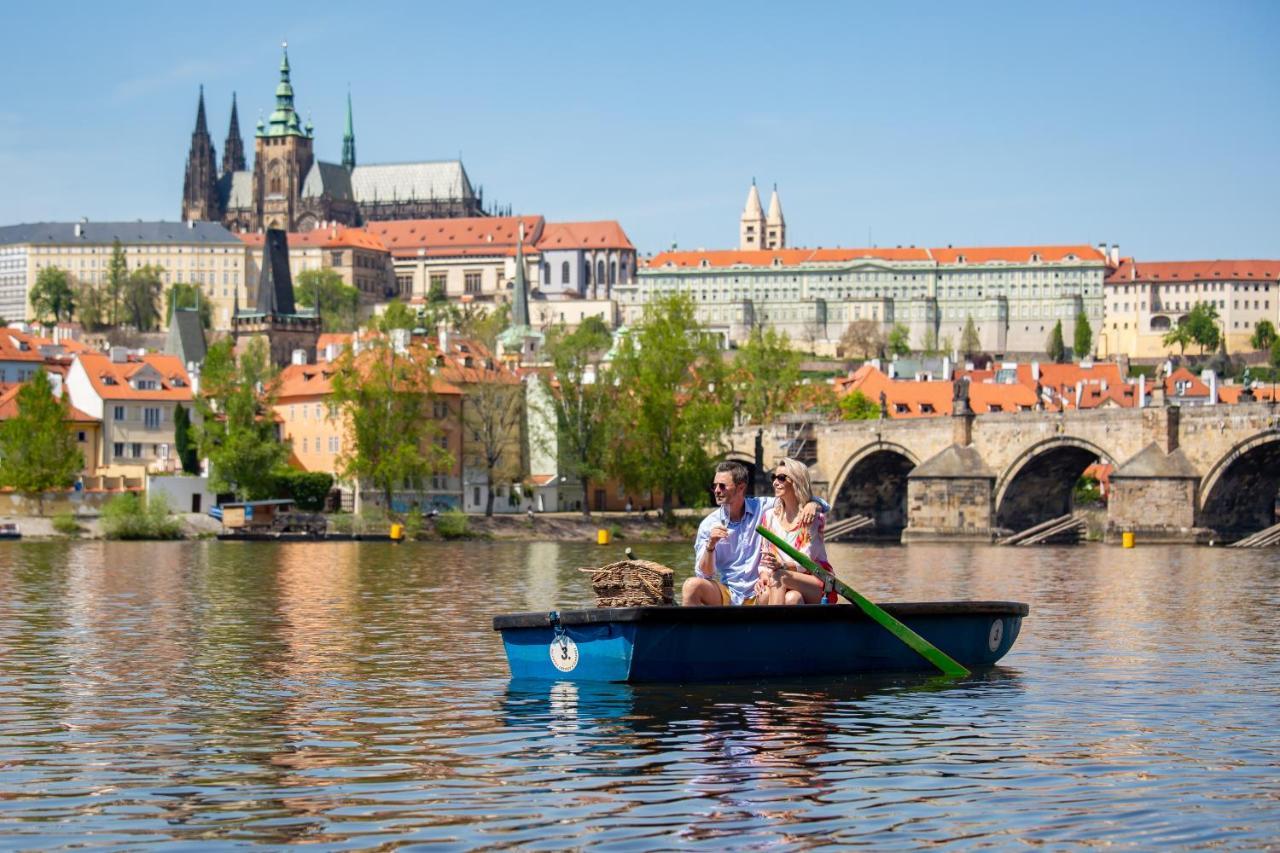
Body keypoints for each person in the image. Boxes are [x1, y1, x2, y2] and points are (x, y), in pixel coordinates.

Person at [684, 461, 828, 606]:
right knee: (691, 586)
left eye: (722, 486)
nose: (716, 490)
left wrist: (814, 504)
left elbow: (798, 498)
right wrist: (711, 546)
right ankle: (691, 629)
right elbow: (705, 575)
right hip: (729, 593)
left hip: (762, 589)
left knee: (790, 596)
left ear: (741, 487)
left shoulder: (762, 507)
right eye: (714, 486)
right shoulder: (709, 525)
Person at [755, 457, 836, 605]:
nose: (775, 482)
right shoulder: (769, 517)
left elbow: (807, 561)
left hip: (816, 580)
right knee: (786, 597)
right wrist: (764, 574)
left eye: (781, 478)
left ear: (797, 481)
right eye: (774, 477)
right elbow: (765, 557)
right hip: (781, 579)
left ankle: (774, 628)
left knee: (780, 577)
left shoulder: (812, 517)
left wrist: (782, 566)